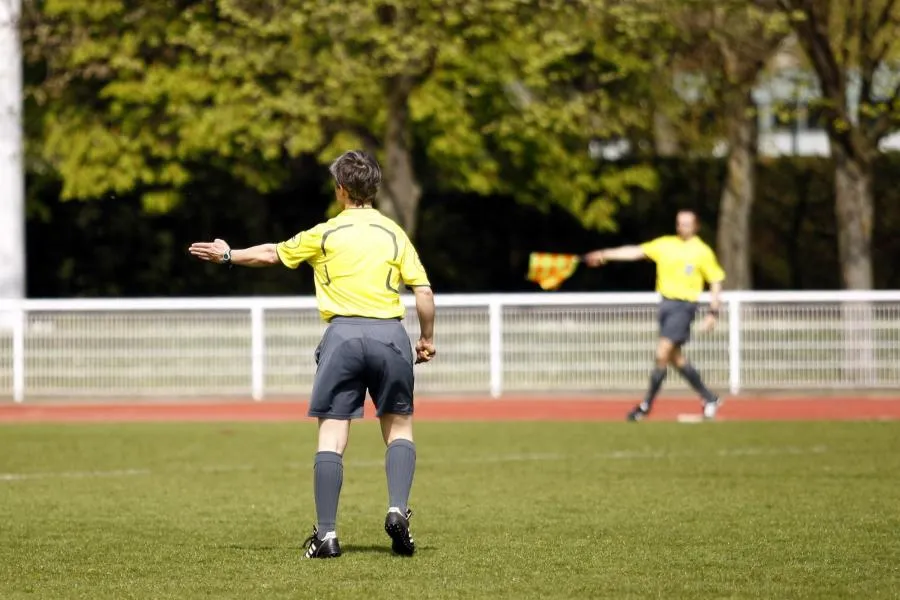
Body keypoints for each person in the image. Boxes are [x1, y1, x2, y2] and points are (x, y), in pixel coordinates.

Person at [188, 150, 436, 559]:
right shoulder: (394, 233)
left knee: (332, 435)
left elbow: (271, 253)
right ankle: (397, 509)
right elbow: (423, 292)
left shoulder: (325, 233)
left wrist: (229, 254)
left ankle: (327, 535)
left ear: (340, 189)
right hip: (390, 337)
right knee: (399, 429)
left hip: (342, 338)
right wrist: (426, 338)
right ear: (374, 189)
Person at [584, 210, 724, 421]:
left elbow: (715, 279)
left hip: (683, 306)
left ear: (696, 226)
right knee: (675, 358)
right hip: (666, 305)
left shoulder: (702, 251)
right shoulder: (666, 244)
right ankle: (709, 397)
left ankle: (645, 406)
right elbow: (635, 252)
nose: (682, 227)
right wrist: (604, 254)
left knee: (662, 352)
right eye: (679, 223)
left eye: (687, 224)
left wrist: (713, 312)